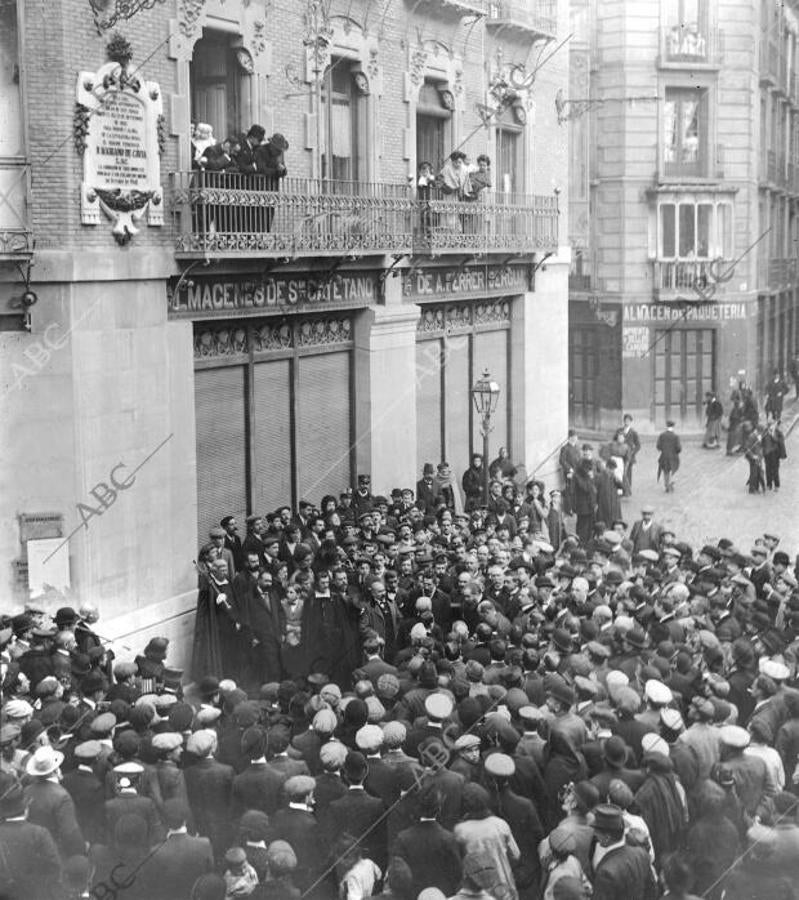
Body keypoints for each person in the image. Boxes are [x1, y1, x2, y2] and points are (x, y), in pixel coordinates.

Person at [656, 420, 681, 493]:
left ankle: (667, 485)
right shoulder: (676, 436)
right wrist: (675, 452)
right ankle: (670, 484)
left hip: (664, 456)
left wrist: (663, 450)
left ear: (666, 426)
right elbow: (679, 448)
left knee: (665, 471)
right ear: (673, 427)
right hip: (673, 456)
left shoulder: (662, 435)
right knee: (673, 469)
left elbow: (658, 446)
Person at [762, 419, 787, 491]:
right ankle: (769, 484)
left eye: (771, 425)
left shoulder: (778, 432)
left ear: (774, 425)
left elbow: (780, 441)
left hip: (775, 454)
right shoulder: (765, 431)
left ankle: (776, 485)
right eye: (768, 425)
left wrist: (772, 435)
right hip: (767, 454)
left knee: (775, 470)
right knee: (768, 470)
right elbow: (762, 441)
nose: (770, 426)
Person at [620, 414, 640, 496]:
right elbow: (614, 440)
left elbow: (638, 445)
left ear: (631, 422)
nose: (626, 422)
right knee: (620, 472)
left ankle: (627, 490)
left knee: (628, 473)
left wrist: (632, 453)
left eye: (628, 420)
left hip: (629, 457)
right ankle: (621, 489)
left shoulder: (634, 433)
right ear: (623, 421)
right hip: (620, 455)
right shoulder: (619, 430)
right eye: (625, 420)